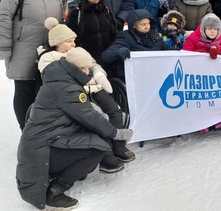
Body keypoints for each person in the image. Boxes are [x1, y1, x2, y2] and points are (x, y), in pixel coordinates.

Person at [16, 47, 133, 210]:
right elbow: (91, 118)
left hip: (45, 141)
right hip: (43, 148)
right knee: (97, 148)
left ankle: (74, 169)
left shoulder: (60, 79)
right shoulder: (67, 88)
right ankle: (55, 191)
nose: (87, 72)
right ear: (72, 67)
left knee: (95, 137)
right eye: (83, 68)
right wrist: (117, 133)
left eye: (88, 68)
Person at [39, 17, 135, 169]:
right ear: (57, 43)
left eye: (74, 40)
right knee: (96, 118)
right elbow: (54, 78)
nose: (73, 44)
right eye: (69, 41)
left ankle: (119, 145)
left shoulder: (78, 51)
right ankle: (106, 155)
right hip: (75, 94)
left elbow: (93, 63)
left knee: (114, 110)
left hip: (94, 87)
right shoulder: (47, 58)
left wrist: (99, 75)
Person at [0, 0, 63, 129]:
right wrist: (4, 46)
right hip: (23, 50)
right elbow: (3, 17)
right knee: (24, 91)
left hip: (48, 51)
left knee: (44, 91)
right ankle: (25, 129)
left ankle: (42, 129)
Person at [182, 13, 221, 133]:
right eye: (210, 28)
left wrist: (218, 49)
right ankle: (200, 121)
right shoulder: (194, 37)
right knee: (200, 97)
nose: (213, 31)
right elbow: (184, 54)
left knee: (217, 94)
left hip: (215, 74)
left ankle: (219, 119)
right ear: (204, 28)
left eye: (215, 29)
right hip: (197, 75)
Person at [101, 9, 170, 80]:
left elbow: (168, 51)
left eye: (148, 23)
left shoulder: (155, 35)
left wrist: (179, 51)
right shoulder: (125, 37)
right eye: (143, 24)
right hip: (132, 77)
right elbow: (105, 56)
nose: (147, 27)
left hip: (154, 74)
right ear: (133, 25)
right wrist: (118, 52)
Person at [66, 0, 117, 68]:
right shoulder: (76, 13)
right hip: (85, 57)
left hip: (106, 56)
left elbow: (114, 32)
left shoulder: (106, 11)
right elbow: (71, 36)